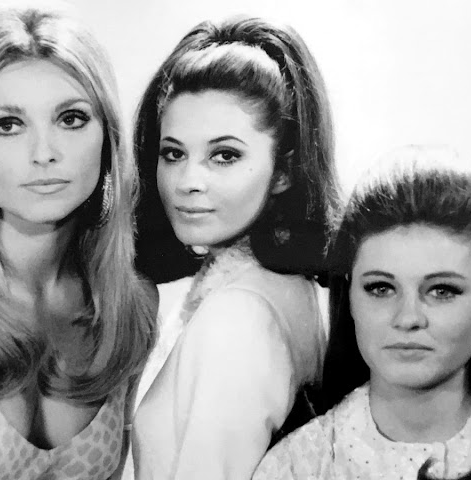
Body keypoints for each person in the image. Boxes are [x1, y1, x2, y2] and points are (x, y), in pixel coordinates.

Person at [0, 5, 156, 479]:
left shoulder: (130, 310)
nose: (44, 153)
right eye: (8, 125)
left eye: (71, 119)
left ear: (107, 140)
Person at [253, 145, 471, 480]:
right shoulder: (297, 467)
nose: (408, 319)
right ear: (349, 297)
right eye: (381, 288)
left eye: (442, 291)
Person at [130, 16, 339, 480]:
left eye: (224, 155)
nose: (188, 181)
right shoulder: (281, 286)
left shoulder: (240, 316)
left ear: (283, 171)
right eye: (173, 153)